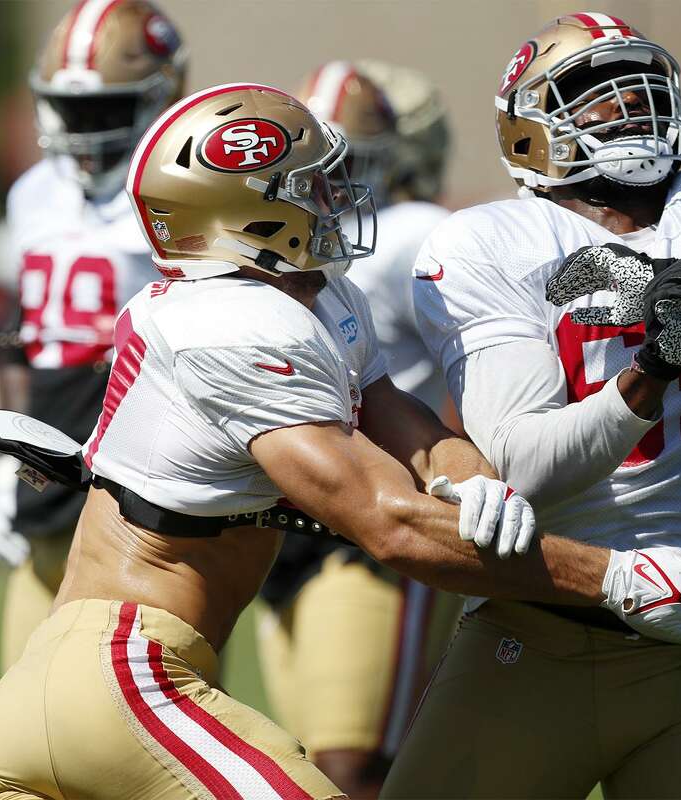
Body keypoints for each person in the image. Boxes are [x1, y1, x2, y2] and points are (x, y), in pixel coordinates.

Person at [0, 82, 681, 800]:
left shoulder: (306, 298)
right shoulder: (239, 324)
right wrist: (613, 577)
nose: (338, 199)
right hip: (124, 679)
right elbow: (392, 525)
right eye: (311, 187)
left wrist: (474, 479)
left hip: (80, 676)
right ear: (245, 212)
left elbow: (392, 413)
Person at [383, 12, 681, 799]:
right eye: (591, 90)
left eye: (635, 80)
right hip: (535, 640)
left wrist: (672, 274)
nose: (627, 101)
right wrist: (652, 370)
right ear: (530, 130)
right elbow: (525, 465)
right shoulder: (490, 241)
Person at [251, 62, 458, 799]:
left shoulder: (409, 233)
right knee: (308, 771)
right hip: (281, 523)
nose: (334, 191)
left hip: (374, 517)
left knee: (353, 768)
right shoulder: (269, 247)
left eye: (352, 168)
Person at [0, 0, 188, 671]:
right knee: (17, 733)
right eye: (71, 110)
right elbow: (33, 341)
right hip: (51, 461)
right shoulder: (35, 192)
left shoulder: (183, 194)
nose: (84, 132)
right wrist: (9, 455)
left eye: (106, 111)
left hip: (141, 478)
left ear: (161, 97)